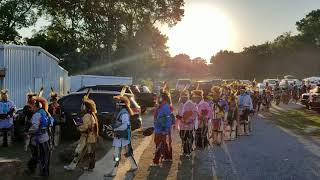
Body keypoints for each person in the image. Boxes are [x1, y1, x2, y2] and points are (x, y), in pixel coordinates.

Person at [105, 95, 138, 177]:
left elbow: (125, 125)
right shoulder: (121, 112)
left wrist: (114, 128)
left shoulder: (124, 113)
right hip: (119, 136)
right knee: (119, 154)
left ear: (120, 104)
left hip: (123, 136)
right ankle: (116, 171)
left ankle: (115, 172)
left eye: (117, 103)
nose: (116, 104)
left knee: (124, 153)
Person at [64, 95, 99, 171]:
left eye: (83, 105)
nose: (81, 107)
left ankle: (72, 166)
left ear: (86, 107)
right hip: (91, 137)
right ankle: (90, 167)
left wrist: (78, 127)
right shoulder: (92, 115)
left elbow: (85, 127)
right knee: (90, 153)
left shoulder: (86, 115)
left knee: (78, 151)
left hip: (86, 137)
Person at [26, 97, 51, 176]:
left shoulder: (36, 115)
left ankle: (40, 172)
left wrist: (28, 132)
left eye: (31, 107)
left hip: (38, 140)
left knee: (38, 156)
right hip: (46, 138)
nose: (31, 109)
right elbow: (51, 122)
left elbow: (35, 128)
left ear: (35, 106)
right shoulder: (45, 112)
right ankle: (45, 172)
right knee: (46, 156)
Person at [150, 90, 172, 167]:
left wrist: (165, 130)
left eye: (160, 98)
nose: (158, 99)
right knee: (162, 143)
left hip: (162, 129)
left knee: (158, 144)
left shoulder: (166, 107)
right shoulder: (161, 106)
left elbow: (168, 120)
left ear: (164, 99)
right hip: (158, 128)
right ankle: (167, 157)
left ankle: (156, 161)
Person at [176, 89, 197, 157]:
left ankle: (189, 151)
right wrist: (179, 119)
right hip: (182, 125)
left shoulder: (191, 104)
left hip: (189, 125)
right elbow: (179, 114)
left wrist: (189, 120)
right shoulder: (181, 104)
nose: (181, 98)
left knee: (189, 138)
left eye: (182, 97)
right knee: (183, 137)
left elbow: (194, 113)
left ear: (186, 97)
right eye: (181, 97)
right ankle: (185, 151)